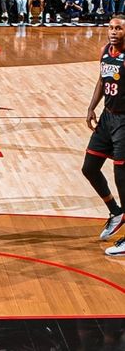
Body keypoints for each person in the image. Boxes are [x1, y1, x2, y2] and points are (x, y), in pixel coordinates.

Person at [81, 15, 125, 257]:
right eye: (111, 28)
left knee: (122, 176)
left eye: (119, 28)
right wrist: (91, 107)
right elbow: (101, 80)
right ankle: (115, 211)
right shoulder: (106, 51)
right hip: (107, 118)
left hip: (124, 121)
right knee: (89, 167)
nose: (113, 32)